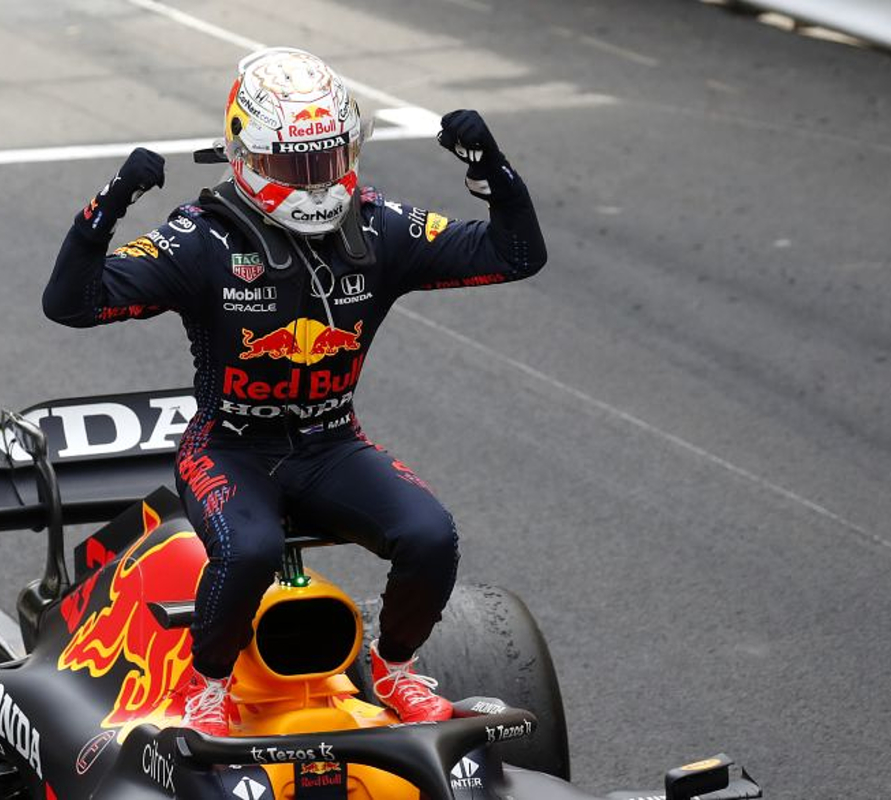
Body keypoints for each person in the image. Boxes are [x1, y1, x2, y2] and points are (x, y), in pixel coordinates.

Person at [43, 47, 547, 736]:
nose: (313, 183)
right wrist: (110, 203)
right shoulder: (201, 240)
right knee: (246, 551)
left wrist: (494, 171)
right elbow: (71, 303)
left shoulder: (380, 228)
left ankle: (396, 669)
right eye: (293, 165)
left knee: (431, 534)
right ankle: (209, 688)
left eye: (326, 160)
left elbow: (516, 255)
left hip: (331, 443)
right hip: (228, 449)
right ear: (246, 157)